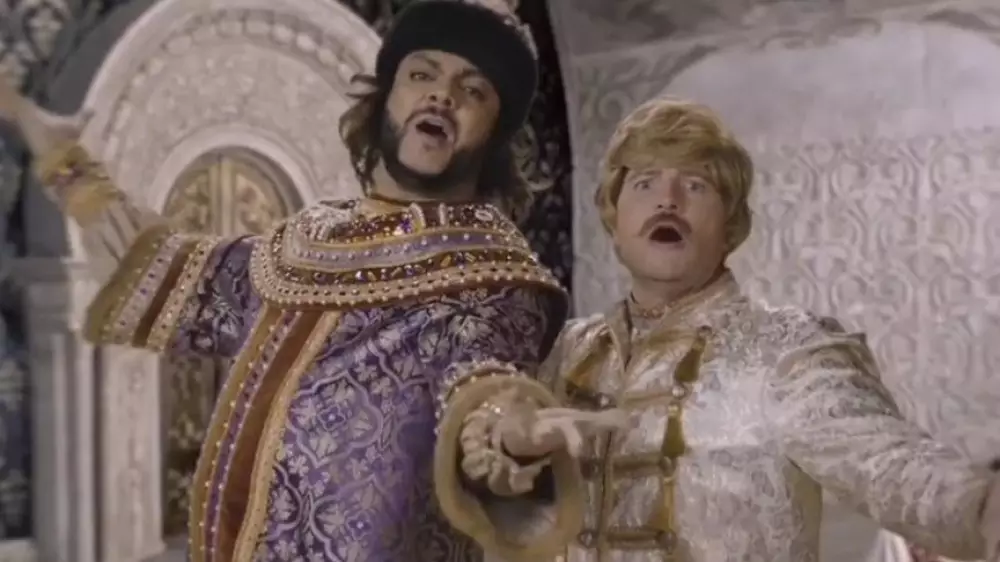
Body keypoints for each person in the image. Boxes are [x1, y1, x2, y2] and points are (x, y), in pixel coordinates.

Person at [0, 1, 623, 560]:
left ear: (494, 132)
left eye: (472, 89)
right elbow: (160, 269)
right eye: (422, 74)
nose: (441, 96)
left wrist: (510, 433)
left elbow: (481, 383)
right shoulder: (305, 243)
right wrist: (62, 160)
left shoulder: (489, 275)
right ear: (387, 97)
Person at [440, 97, 1000, 562]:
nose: (668, 199)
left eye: (696, 185)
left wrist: (982, 507)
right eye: (645, 183)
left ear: (729, 223)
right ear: (615, 217)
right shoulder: (568, 350)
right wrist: (507, 444)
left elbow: (891, 465)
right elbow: (491, 501)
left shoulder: (788, 352)